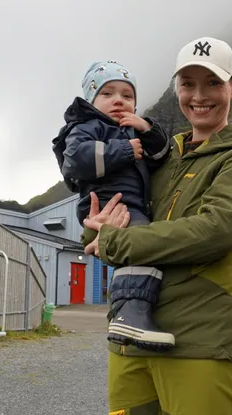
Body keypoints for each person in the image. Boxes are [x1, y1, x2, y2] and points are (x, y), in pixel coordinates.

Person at [80, 37, 232, 415]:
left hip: (200, 342)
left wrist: (115, 242)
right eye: (188, 84)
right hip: (128, 338)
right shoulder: (159, 153)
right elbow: (110, 212)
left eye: (213, 83)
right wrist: (96, 229)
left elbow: (214, 231)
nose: (199, 96)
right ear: (177, 89)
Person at [51, 60, 176, 351]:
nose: (119, 100)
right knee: (142, 248)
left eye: (127, 95)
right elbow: (76, 161)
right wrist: (123, 149)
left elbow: (161, 156)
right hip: (108, 204)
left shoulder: (132, 130)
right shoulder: (86, 126)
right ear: (91, 100)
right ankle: (131, 315)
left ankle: (136, 314)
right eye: (108, 93)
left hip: (133, 204)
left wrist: (146, 128)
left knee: (141, 252)